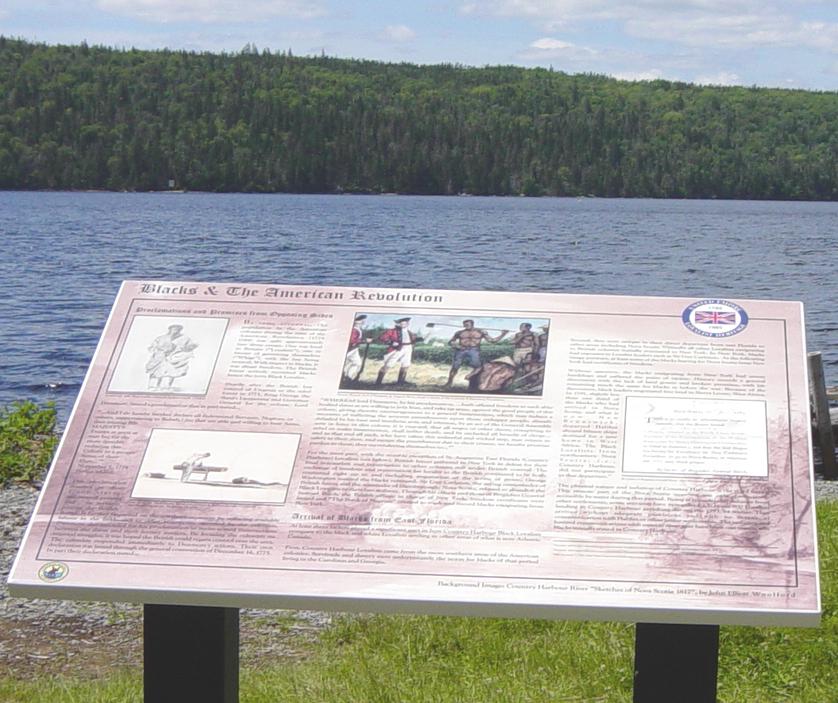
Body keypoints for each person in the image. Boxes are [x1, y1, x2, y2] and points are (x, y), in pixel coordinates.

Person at [446, 319, 508, 388]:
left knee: (477, 367)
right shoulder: (459, 332)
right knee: (455, 366)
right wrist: (457, 346)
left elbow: (492, 341)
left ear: (472, 324)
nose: (466, 326)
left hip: (474, 350)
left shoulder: (481, 332)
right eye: (465, 325)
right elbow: (450, 342)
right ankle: (449, 382)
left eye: (468, 324)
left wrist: (503, 334)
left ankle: (473, 383)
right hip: (461, 350)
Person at [146, 324, 198, 390]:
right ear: (170, 329)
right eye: (174, 328)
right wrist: (158, 350)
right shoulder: (161, 338)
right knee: (156, 372)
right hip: (159, 357)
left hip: (173, 358)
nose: (176, 330)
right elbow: (152, 347)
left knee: (171, 372)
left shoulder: (184, 338)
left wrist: (185, 349)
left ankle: (166, 386)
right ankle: (152, 386)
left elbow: (191, 345)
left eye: (178, 329)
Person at [376, 317, 421, 385]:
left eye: (405, 323)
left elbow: (414, 340)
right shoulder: (392, 331)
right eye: (401, 323)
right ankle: (378, 382)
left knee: (406, 365)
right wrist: (391, 342)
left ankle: (400, 382)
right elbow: (382, 337)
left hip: (408, 348)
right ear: (399, 324)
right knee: (389, 364)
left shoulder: (410, 333)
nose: (403, 324)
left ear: (408, 324)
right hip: (398, 348)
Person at [344, 314, 371, 381]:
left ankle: (348, 377)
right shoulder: (354, 329)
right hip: (350, 349)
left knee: (357, 363)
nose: (363, 322)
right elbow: (352, 340)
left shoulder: (359, 329)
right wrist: (365, 340)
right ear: (357, 321)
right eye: (362, 321)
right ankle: (345, 376)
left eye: (363, 321)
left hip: (354, 349)